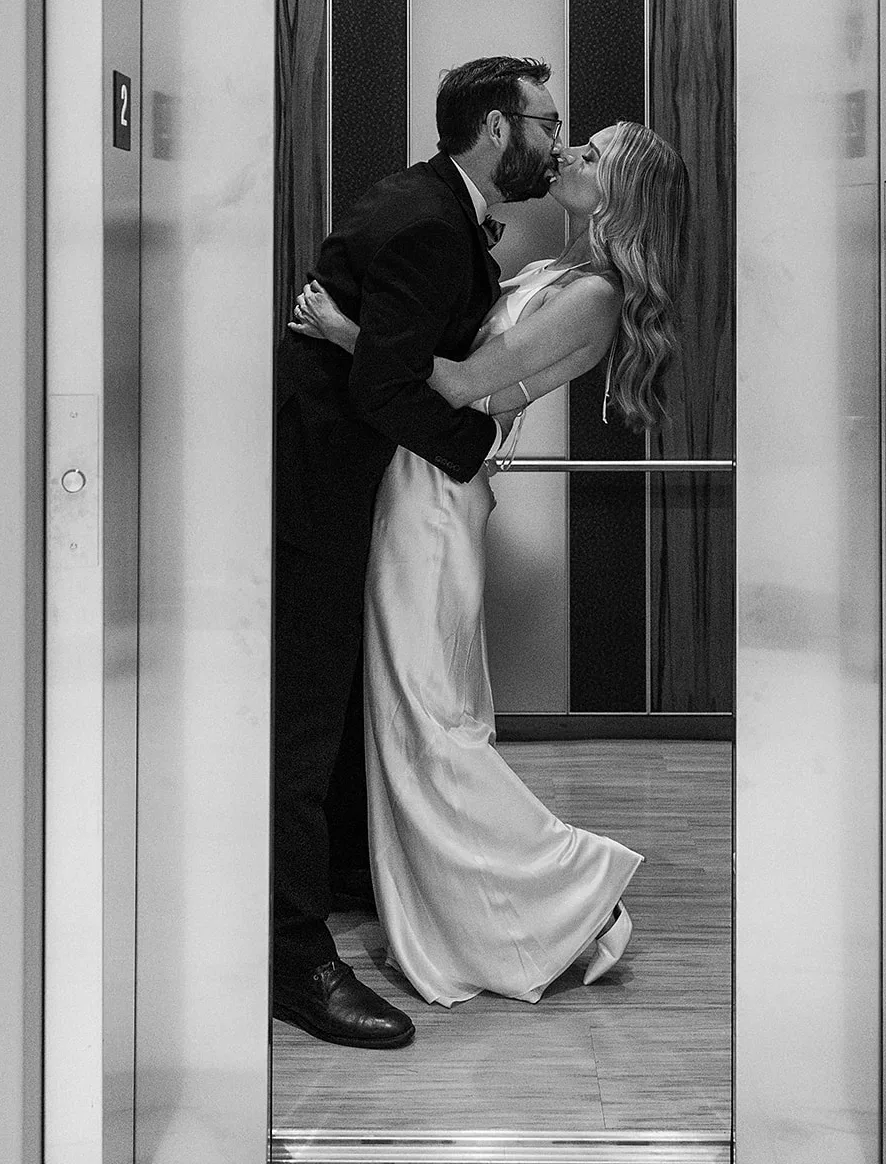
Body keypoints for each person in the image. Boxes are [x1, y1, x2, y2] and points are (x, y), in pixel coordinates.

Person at [289, 119, 689, 1007]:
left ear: (623, 190)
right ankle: (461, 906)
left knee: (429, 722)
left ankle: (570, 895)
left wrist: (347, 329)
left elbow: (465, 385)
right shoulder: (565, 273)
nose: (571, 153)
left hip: (433, 500)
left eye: (596, 153)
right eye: (574, 139)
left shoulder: (594, 297)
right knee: (411, 715)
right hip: (416, 479)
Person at [272, 56, 562, 1049]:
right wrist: (480, 454)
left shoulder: (437, 206)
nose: (556, 139)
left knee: (356, 694)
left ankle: (353, 879)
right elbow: (386, 389)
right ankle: (294, 958)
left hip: (359, 480)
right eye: (545, 121)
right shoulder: (430, 221)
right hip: (321, 481)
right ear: (495, 128)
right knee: (306, 716)